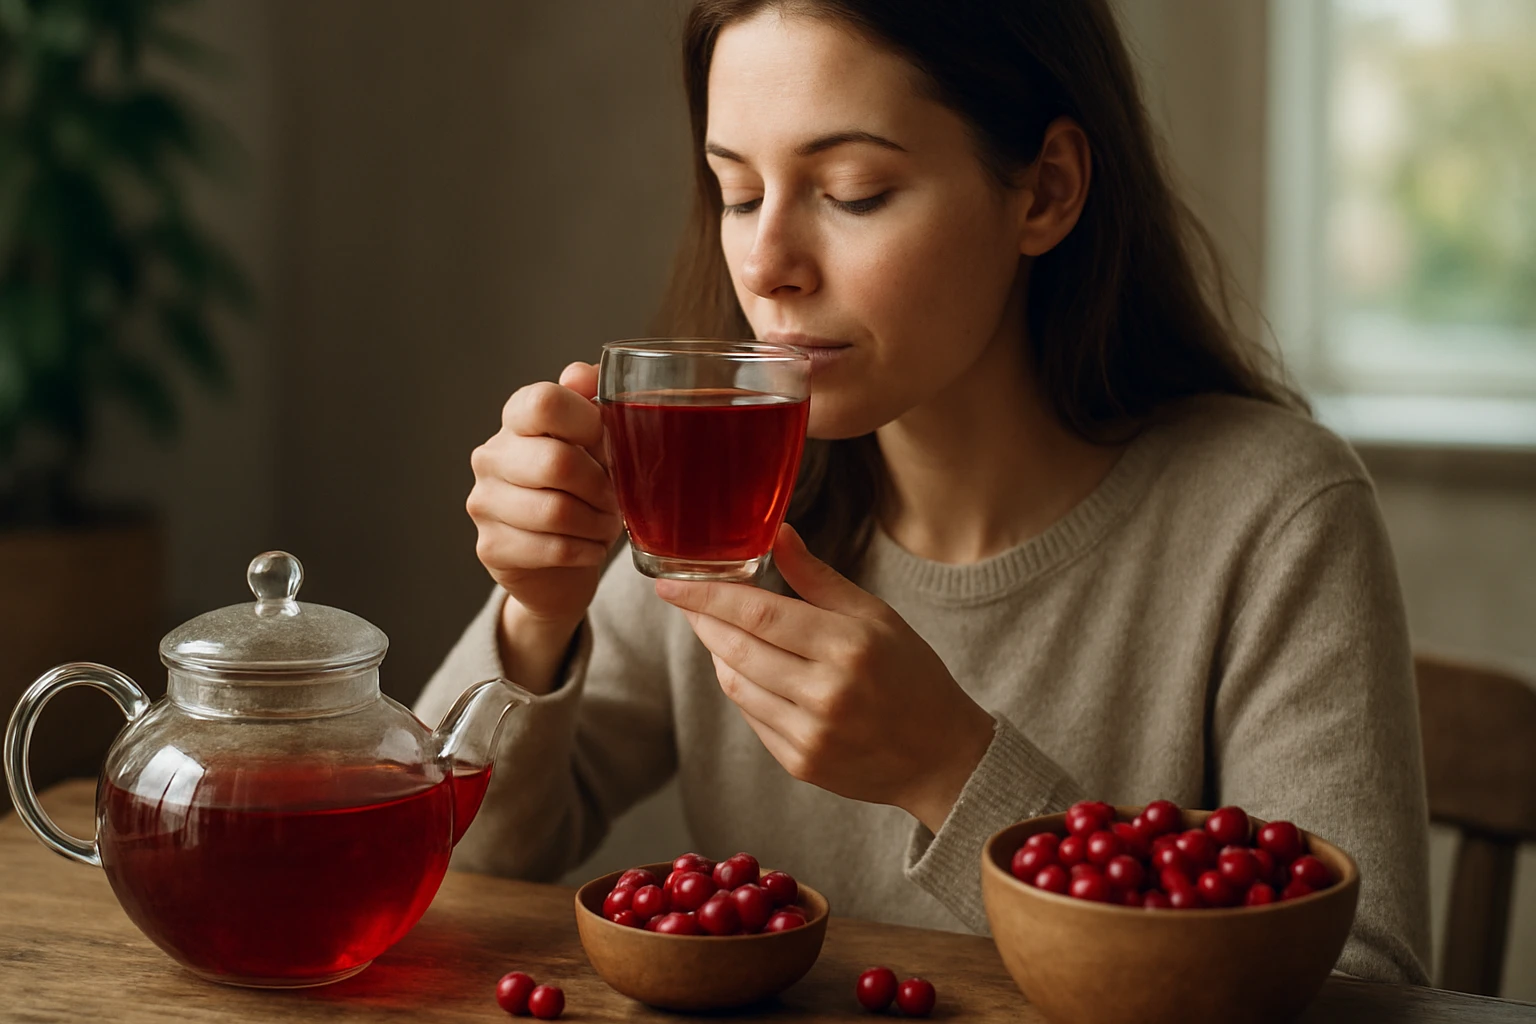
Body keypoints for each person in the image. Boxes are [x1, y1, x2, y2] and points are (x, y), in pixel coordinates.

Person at [415, 0, 1430, 984]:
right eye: (735, 192)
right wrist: (535, 617)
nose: (766, 264)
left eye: (853, 189)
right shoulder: (716, 495)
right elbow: (443, 870)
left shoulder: (1276, 514)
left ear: (1046, 191)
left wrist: (949, 769)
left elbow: (1364, 987)